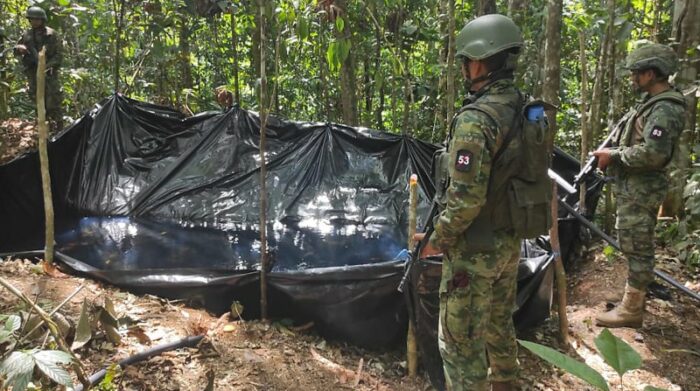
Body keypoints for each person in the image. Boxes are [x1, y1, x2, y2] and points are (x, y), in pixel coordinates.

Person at [415, 14, 530, 391]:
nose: (465, 68)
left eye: (466, 60)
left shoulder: (476, 120)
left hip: (474, 251)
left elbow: (464, 202)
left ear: (479, 61)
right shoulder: (520, 105)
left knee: (461, 347)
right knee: (499, 325)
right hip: (509, 241)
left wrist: (437, 239)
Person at [593, 43, 686, 328]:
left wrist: (614, 156)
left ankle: (631, 310)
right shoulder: (652, 105)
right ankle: (631, 297)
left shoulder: (665, 110)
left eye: (636, 73)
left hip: (642, 189)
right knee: (632, 244)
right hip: (634, 187)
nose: (633, 78)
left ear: (650, 74)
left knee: (639, 247)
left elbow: (654, 154)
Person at [14, 6, 64, 132]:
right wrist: (20, 48)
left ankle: (58, 128)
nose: (35, 22)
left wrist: (46, 66)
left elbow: (59, 55)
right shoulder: (27, 35)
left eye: (37, 19)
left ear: (42, 20)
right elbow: (16, 50)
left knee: (53, 101)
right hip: (32, 72)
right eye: (32, 19)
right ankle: (42, 128)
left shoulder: (51, 34)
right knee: (37, 99)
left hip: (49, 73)